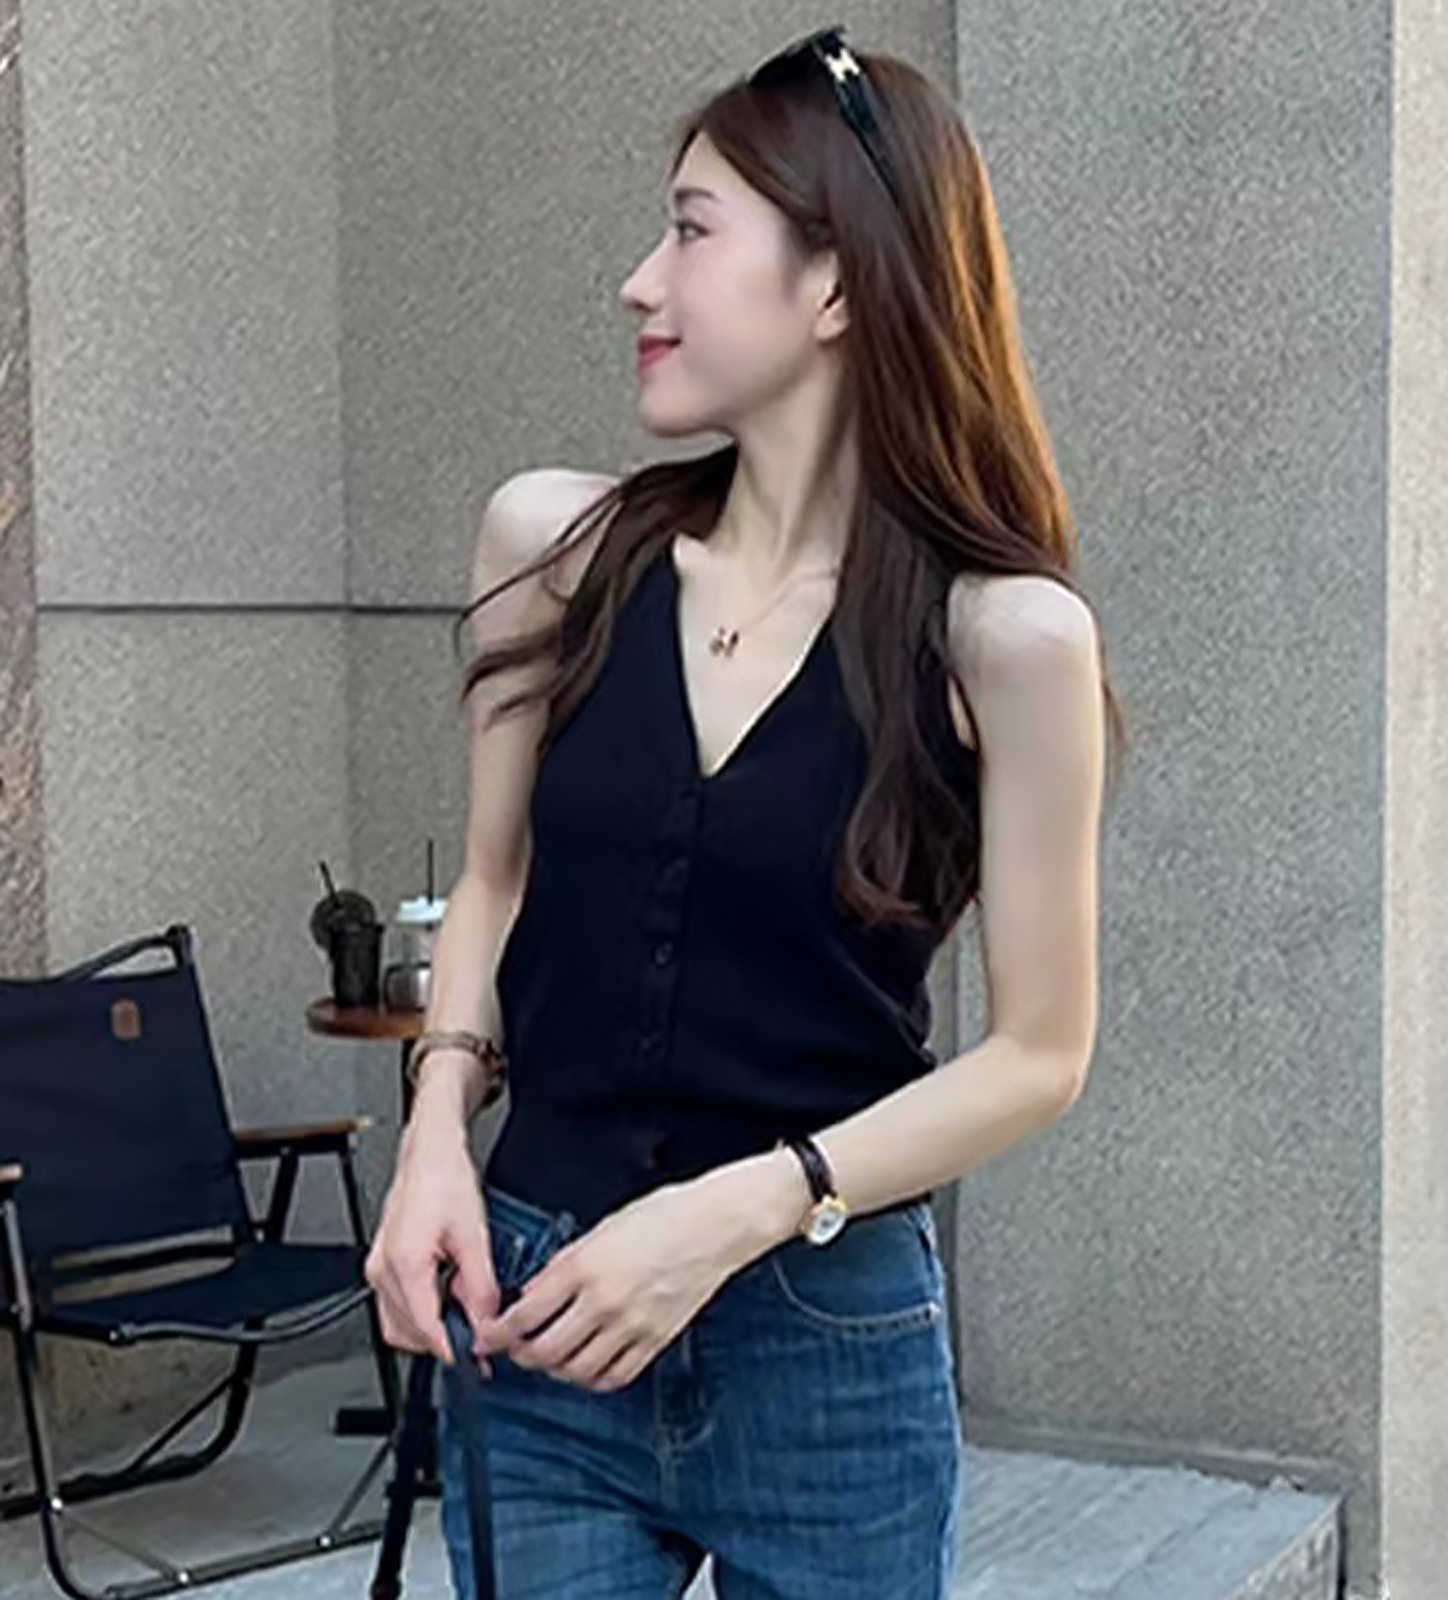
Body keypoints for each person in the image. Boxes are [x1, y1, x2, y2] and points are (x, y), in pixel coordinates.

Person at [364, 25, 1121, 1600]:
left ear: (836, 284)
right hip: (540, 1310)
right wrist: (434, 1142)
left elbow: (1041, 1054)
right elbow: (493, 879)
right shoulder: (555, 550)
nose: (640, 283)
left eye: (692, 232)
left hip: (824, 1346)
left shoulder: (1005, 641)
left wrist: (736, 1213)